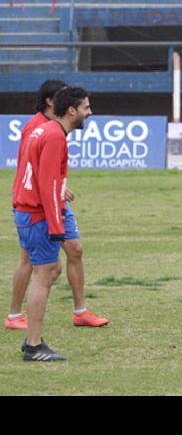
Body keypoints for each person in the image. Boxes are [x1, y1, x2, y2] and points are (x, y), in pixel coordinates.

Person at [5, 80, 109, 331]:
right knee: (35, 263)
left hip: (52, 199)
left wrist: (57, 186)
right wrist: (53, 189)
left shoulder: (56, 128)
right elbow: (29, 167)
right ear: (52, 101)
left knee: (75, 250)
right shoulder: (39, 128)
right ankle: (15, 316)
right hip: (38, 203)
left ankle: (80, 311)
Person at [13, 85, 93, 361]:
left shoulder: (43, 130)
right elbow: (48, 185)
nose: (89, 112)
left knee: (50, 269)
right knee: (45, 274)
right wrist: (56, 227)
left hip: (28, 212)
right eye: (85, 107)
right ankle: (34, 345)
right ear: (71, 110)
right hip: (38, 215)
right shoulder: (55, 136)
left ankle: (31, 340)